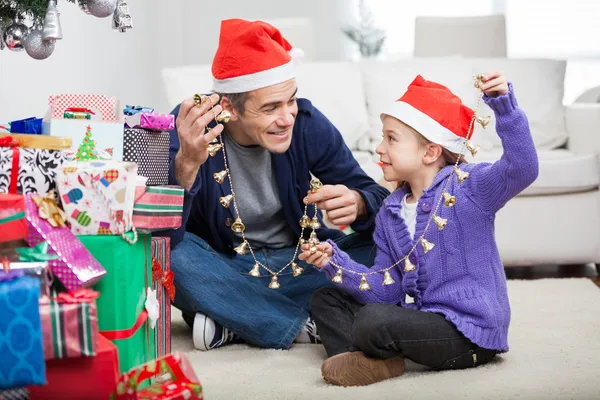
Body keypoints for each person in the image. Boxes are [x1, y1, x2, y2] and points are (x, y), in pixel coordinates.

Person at [164, 18, 390, 351]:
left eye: (291, 101)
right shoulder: (191, 129)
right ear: (229, 108)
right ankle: (298, 324)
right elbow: (159, 235)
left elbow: (380, 200)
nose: (286, 117)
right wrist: (186, 165)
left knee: (386, 249)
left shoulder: (306, 124)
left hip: (303, 261)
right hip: (227, 263)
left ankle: (236, 318)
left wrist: (359, 202)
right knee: (172, 257)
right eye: (270, 107)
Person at [300, 73, 539, 386]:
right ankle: (361, 361)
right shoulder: (390, 212)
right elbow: (387, 290)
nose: (379, 148)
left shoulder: (468, 186)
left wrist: (504, 107)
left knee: (373, 321)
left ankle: (373, 352)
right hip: (422, 321)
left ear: (430, 152)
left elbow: (522, 168)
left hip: (468, 332)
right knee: (326, 299)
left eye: (391, 139)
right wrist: (335, 262)